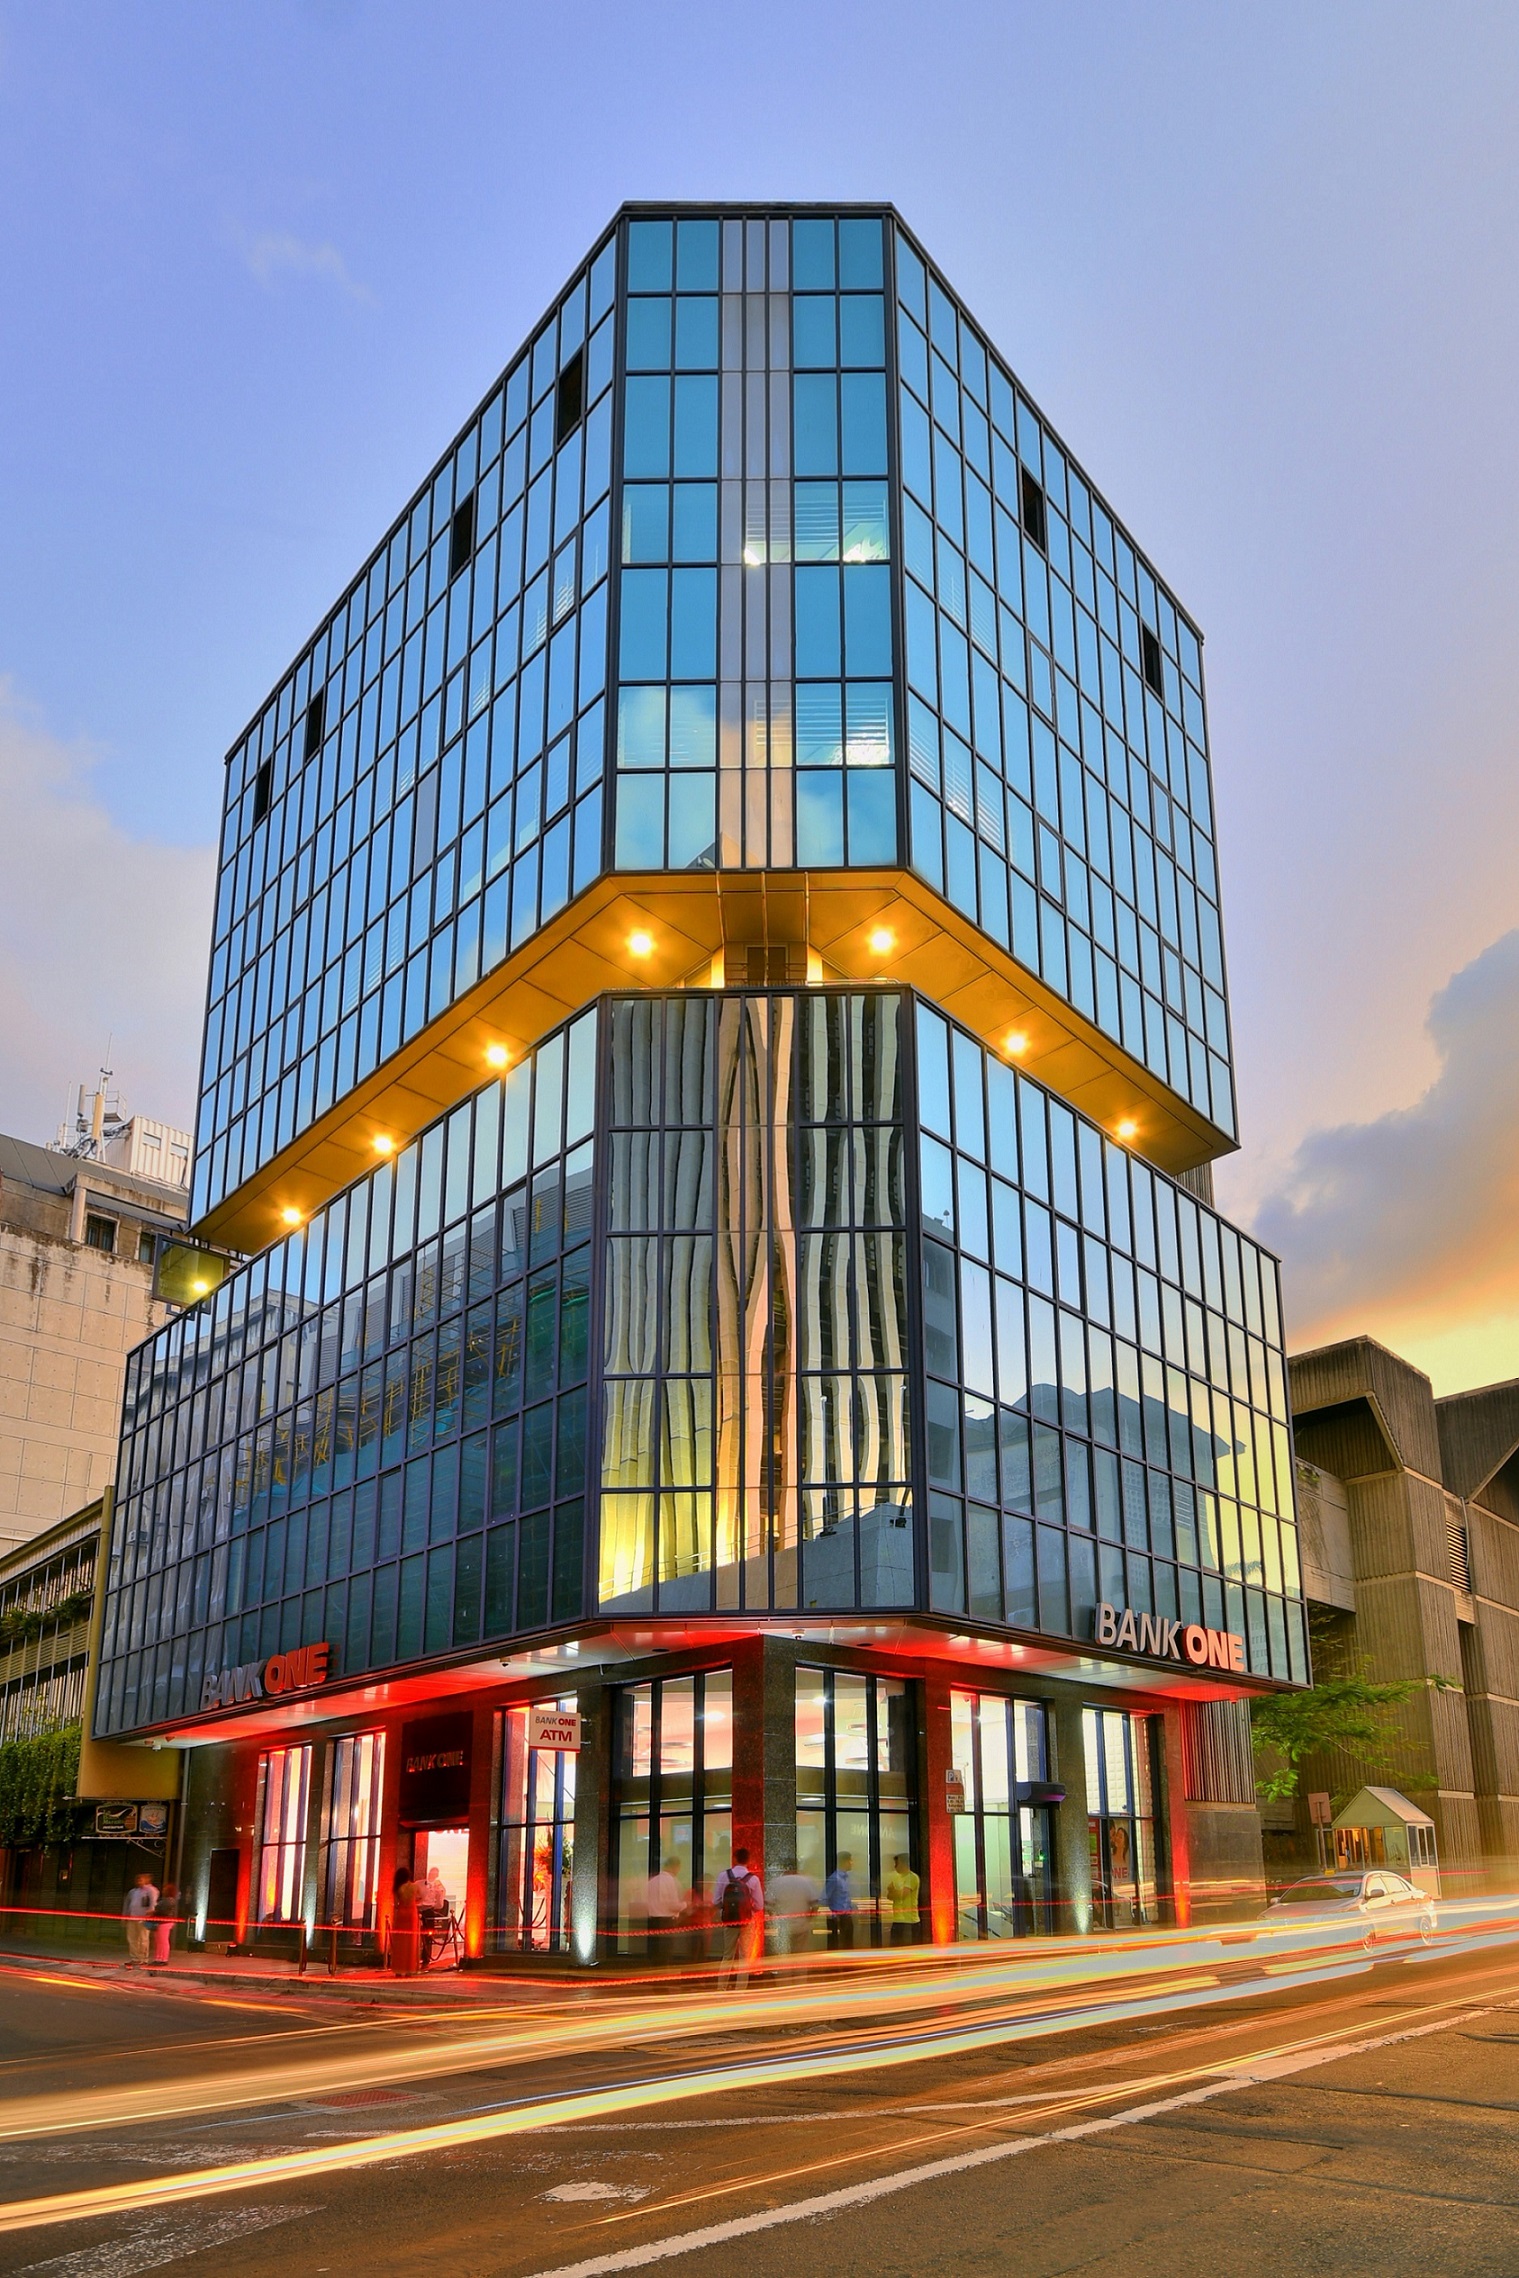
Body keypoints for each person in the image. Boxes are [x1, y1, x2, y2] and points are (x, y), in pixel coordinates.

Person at [713, 1849, 763, 1990]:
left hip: (729, 1921)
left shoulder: (723, 1876)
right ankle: (740, 1989)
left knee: (727, 1955)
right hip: (746, 1921)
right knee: (744, 1956)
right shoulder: (753, 1879)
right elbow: (759, 1905)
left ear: (734, 1858)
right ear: (748, 1860)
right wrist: (747, 1909)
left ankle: (721, 1987)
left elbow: (715, 1901)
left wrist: (726, 1909)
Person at [765, 1861, 819, 1959]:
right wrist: (809, 1919)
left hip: (784, 1925)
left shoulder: (776, 1882)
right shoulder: (806, 1881)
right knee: (800, 1955)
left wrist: (776, 1919)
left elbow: (768, 1906)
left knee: (785, 1954)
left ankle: (786, 1967)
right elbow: (815, 1905)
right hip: (801, 1924)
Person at [644, 1856, 684, 1963]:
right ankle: (664, 1970)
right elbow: (672, 1905)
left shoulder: (652, 1881)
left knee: (654, 1951)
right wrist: (685, 1905)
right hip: (667, 1921)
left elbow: (645, 1901)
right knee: (665, 1951)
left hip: (652, 1920)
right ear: (675, 1866)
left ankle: (654, 1969)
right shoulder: (671, 1881)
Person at [389, 1861, 422, 1975]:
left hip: (401, 1913)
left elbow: (396, 1903)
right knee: (411, 1942)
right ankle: (410, 1968)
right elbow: (420, 1897)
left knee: (400, 1942)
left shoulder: (399, 1888)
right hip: (412, 1913)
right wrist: (415, 1902)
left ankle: (399, 1968)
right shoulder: (414, 1886)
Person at [122, 1871, 158, 1967]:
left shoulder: (151, 1890)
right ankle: (134, 1958)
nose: (138, 1881)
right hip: (132, 1917)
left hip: (143, 1918)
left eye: (141, 1879)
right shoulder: (133, 1892)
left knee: (143, 1938)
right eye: (137, 1879)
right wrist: (124, 1916)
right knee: (132, 1938)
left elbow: (153, 1903)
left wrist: (150, 1914)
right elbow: (127, 1904)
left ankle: (143, 1958)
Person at [884, 1854, 920, 1947]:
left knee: (908, 1949)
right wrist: (894, 1892)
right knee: (895, 1948)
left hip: (909, 1921)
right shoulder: (896, 1878)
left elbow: (902, 1895)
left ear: (904, 1864)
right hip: (897, 1919)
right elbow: (889, 1896)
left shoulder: (912, 1877)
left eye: (897, 1863)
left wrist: (893, 1891)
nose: (895, 1866)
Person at [823, 1852, 856, 1950]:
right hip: (838, 1918)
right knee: (840, 1945)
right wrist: (833, 1913)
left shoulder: (845, 1878)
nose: (852, 1863)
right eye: (850, 1860)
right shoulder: (835, 1879)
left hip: (846, 1916)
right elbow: (825, 1897)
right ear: (844, 1862)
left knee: (847, 1944)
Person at [149, 1881, 180, 1968]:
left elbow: (163, 1911)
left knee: (163, 1941)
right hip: (161, 1922)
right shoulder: (166, 1900)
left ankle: (163, 1959)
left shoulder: (169, 1901)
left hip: (165, 1922)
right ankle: (158, 1958)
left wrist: (153, 1912)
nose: (163, 1890)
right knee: (159, 1941)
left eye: (165, 1889)